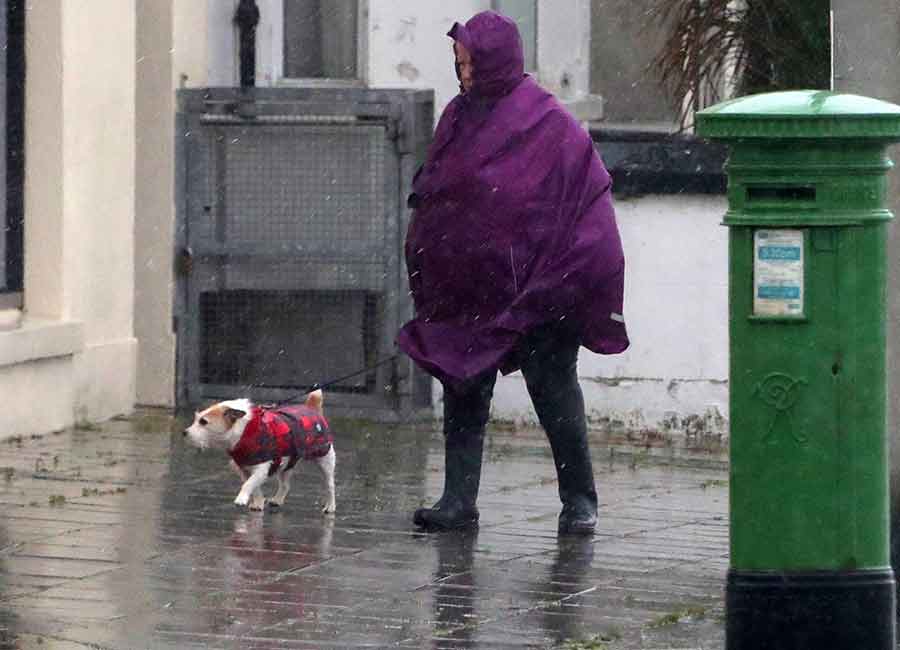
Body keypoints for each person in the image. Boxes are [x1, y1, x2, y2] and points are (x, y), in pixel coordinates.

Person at [397, 10, 629, 535]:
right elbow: (442, 189)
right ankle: (458, 502)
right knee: (462, 385)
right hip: (471, 288)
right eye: (458, 64)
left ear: (495, 61)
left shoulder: (547, 121)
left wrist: (558, 277)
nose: (463, 74)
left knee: (552, 389)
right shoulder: (457, 118)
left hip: (542, 288)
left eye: (470, 63)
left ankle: (579, 502)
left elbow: (584, 200)